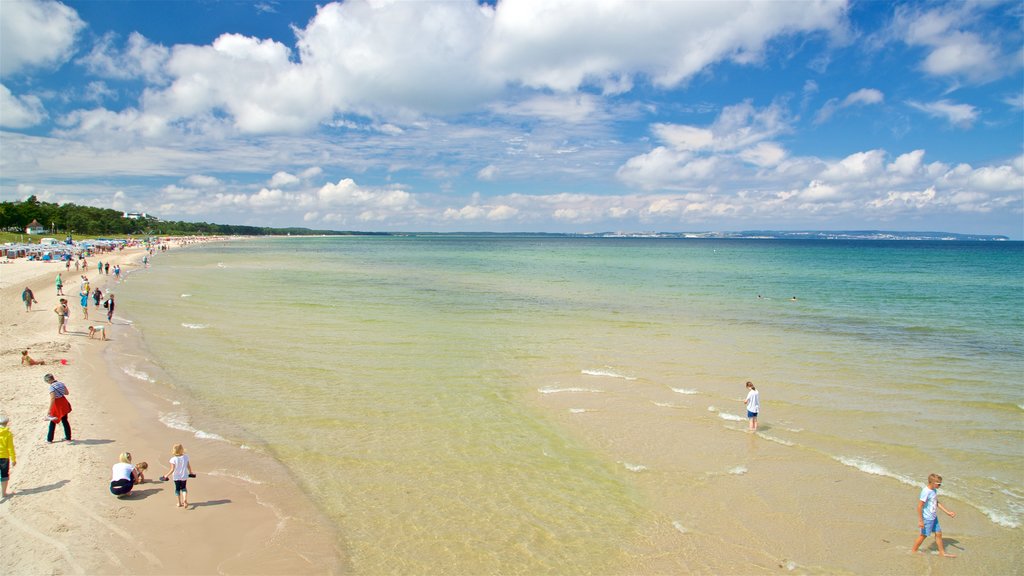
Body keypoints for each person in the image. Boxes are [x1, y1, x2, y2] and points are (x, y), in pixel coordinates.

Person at [911, 473, 957, 557]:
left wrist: (948, 512)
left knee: (938, 533)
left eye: (940, 483)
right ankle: (913, 551)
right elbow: (919, 506)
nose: (940, 485)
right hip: (927, 518)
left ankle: (942, 552)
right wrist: (921, 521)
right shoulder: (926, 491)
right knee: (923, 535)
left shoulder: (934, 490)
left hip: (934, 517)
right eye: (938, 484)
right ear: (932, 482)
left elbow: (936, 503)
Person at [161, 443, 194, 508]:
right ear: (182, 450)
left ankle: (179, 503)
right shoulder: (186, 457)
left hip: (176, 477)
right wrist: (191, 472)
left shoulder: (173, 459)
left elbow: (172, 469)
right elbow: (188, 466)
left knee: (177, 489)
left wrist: (166, 475)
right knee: (184, 488)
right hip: (184, 476)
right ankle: (185, 500)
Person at [44, 374, 72, 443]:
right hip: (63, 402)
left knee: (53, 421)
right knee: (65, 421)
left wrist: (49, 410)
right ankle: (68, 438)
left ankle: (49, 439)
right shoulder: (61, 383)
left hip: (57, 404)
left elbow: (53, 398)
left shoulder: (51, 387)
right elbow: (67, 393)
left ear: (48, 380)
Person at [0, 415, 15, 498]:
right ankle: (3, 493)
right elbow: (10, 447)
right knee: (4, 475)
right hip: (4, 457)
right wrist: (13, 459)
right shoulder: (8, 434)